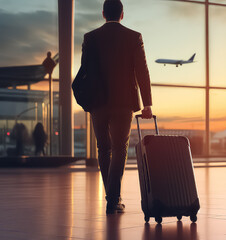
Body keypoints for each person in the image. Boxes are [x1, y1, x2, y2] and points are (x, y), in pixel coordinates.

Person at [81, 0, 153, 214]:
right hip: (123, 102)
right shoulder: (134, 37)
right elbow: (143, 71)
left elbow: (85, 71)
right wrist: (147, 103)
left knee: (103, 148)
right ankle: (113, 198)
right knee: (120, 149)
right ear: (122, 14)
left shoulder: (90, 38)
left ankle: (112, 196)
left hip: (98, 102)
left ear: (103, 14)